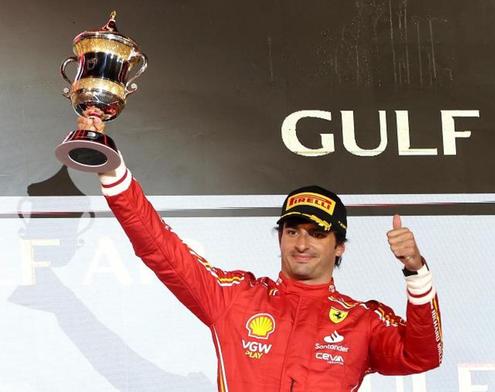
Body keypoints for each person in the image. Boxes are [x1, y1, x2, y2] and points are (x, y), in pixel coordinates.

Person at [79, 116, 442, 391]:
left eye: (317, 234)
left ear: (339, 246)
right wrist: (113, 173)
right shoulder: (236, 298)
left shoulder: (362, 323)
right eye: (292, 231)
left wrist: (416, 272)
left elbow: (422, 354)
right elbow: (159, 248)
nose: (302, 244)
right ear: (280, 236)